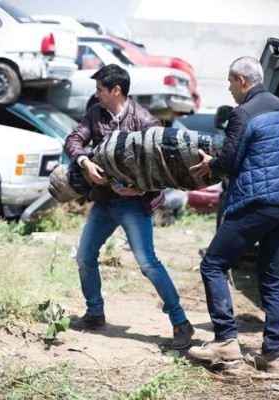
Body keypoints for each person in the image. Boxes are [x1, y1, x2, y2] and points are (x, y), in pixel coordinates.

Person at [187, 56, 279, 372]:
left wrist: (209, 164)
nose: (229, 89)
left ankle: (225, 341)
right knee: (270, 277)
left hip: (256, 204)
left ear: (242, 80)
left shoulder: (243, 114)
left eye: (229, 82)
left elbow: (228, 162)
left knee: (213, 264)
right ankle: (273, 354)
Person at [64, 63, 194, 350]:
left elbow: (165, 170)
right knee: (85, 256)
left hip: (134, 205)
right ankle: (95, 314)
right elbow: (74, 139)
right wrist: (84, 162)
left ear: (116, 91)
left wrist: (142, 188)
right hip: (103, 202)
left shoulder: (147, 123)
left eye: (100, 89)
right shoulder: (95, 113)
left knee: (148, 263)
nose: (96, 94)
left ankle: (181, 323)